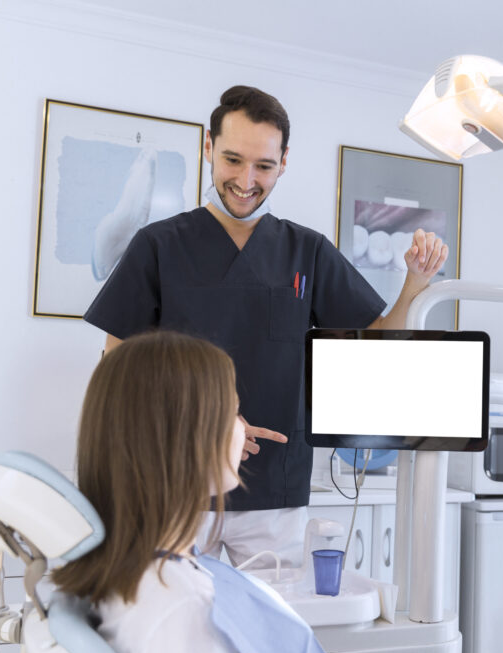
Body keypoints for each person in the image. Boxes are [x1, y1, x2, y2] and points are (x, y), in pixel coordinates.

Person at [84, 85, 448, 567]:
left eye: (264, 166)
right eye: (232, 160)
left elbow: (374, 346)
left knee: (268, 631)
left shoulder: (307, 251)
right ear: (208, 148)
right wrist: (206, 419)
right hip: (174, 486)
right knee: (178, 625)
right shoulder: (159, 246)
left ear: (284, 161)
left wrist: (414, 285)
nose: (245, 180)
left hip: (276, 494)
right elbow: (115, 370)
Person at [52, 330, 342, 653]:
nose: (243, 430)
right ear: (186, 441)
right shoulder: (181, 609)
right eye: (235, 413)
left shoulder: (130, 566)